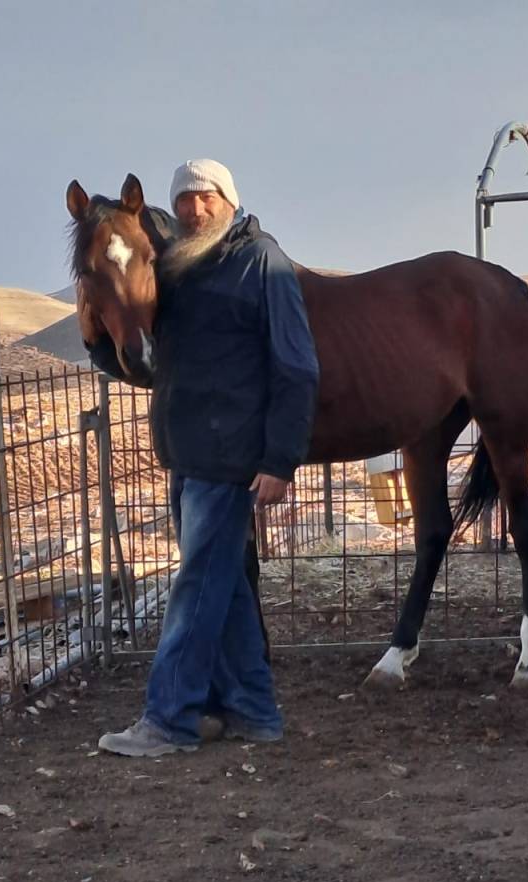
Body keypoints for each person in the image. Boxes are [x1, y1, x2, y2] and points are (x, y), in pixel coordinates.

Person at [90, 159, 320, 756]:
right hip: (186, 453)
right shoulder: (178, 269)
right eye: (185, 202)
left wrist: (280, 460)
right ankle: (254, 712)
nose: (195, 210)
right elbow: (150, 363)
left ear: (229, 201)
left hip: (230, 458)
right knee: (227, 590)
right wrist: (97, 342)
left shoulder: (259, 261)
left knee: (195, 590)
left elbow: (297, 367)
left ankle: (169, 720)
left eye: (206, 198)